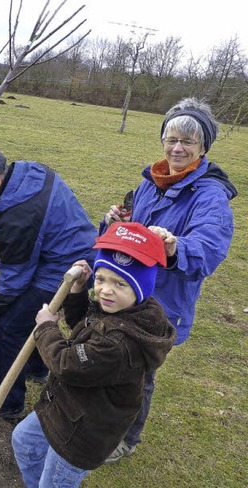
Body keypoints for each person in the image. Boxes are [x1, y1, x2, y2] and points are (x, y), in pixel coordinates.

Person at [102, 97, 236, 462]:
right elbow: (133, 231)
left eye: (188, 142)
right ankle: (105, 422)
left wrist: (176, 246)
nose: (177, 148)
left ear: (203, 147)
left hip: (163, 301)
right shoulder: (153, 180)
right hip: (130, 290)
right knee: (117, 364)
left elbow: (209, 249)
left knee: (139, 375)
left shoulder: (210, 195)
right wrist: (116, 221)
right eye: (171, 138)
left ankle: (128, 438)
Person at [11, 222, 177, 487]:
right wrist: (78, 289)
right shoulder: (121, 310)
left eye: (120, 283)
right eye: (100, 279)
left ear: (140, 288)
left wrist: (46, 329)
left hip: (84, 433)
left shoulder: (120, 345)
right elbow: (85, 322)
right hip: (67, 407)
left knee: (54, 483)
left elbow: (65, 364)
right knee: (24, 440)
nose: (105, 290)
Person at [0, 148, 97, 418]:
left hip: (66, 267)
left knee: (10, 328)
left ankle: (8, 404)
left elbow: (13, 281)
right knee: (28, 314)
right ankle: (37, 368)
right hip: (75, 248)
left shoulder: (18, 217)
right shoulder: (29, 171)